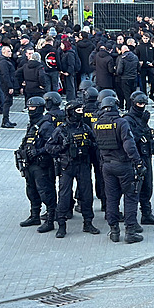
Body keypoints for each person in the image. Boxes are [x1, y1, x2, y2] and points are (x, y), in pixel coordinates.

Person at [94, 96, 146, 244]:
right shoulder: (121, 123)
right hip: (123, 165)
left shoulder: (97, 124)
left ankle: (114, 231)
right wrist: (138, 163)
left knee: (111, 198)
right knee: (130, 197)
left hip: (106, 165)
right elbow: (129, 145)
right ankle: (130, 232)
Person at [45, 101, 100, 238]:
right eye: (78, 110)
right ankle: (62, 225)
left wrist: (89, 144)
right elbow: (49, 147)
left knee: (87, 195)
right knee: (64, 196)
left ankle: (88, 222)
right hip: (67, 166)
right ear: (71, 112)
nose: (81, 113)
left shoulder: (86, 128)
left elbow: (96, 145)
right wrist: (63, 146)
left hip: (83, 165)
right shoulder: (61, 130)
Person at [17, 96, 58, 233]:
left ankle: (50, 219)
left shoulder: (46, 124)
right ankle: (35, 216)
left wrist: (37, 152)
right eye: (29, 107)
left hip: (42, 164)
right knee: (31, 191)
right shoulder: (33, 123)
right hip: (30, 164)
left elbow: (51, 145)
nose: (30, 110)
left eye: (32, 107)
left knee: (45, 192)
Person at [123, 91, 154, 226]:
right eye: (139, 104)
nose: (142, 106)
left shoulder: (143, 116)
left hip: (147, 155)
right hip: (137, 158)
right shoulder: (128, 119)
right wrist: (142, 125)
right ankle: (132, 219)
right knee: (136, 188)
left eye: (144, 104)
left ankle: (146, 213)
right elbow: (132, 138)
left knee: (147, 186)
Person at [0, 46, 17, 128]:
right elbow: (5, 75)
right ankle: (5, 121)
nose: (10, 53)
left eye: (10, 51)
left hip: (7, 83)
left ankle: (7, 120)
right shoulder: (3, 62)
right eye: (8, 51)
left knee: (9, 102)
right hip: (5, 85)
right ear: (3, 52)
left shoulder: (6, 61)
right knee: (7, 102)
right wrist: (10, 86)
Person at [116, 45, 139, 110]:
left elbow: (119, 71)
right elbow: (138, 68)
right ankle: (133, 107)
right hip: (134, 77)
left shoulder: (122, 58)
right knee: (133, 93)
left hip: (125, 78)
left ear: (123, 50)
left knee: (127, 94)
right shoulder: (135, 57)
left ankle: (128, 107)